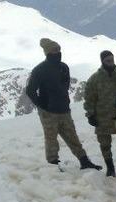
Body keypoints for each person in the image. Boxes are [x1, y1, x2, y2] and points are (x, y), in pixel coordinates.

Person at [26, 38, 100, 170]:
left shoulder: (64, 67)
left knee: (72, 136)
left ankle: (84, 161)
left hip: (64, 109)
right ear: (48, 52)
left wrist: (64, 100)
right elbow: (30, 90)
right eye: (55, 50)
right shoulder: (39, 70)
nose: (58, 52)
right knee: (51, 139)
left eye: (59, 50)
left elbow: (65, 86)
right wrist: (41, 103)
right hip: (48, 111)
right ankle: (53, 165)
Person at [83, 50, 116, 177]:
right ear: (102, 61)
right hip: (103, 117)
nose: (110, 62)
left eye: (112, 59)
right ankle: (110, 167)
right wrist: (90, 114)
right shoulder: (95, 79)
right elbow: (89, 98)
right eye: (107, 60)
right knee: (105, 144)